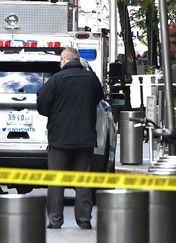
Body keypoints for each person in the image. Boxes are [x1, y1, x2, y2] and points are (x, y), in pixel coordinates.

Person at [37, 47, 104, 229]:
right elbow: (99, 98)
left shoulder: (56, 79)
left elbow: (42, 103)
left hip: (59, 139)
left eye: (61, 61)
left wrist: (54, 113)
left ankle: (55, 220)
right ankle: (84, 221)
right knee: (83, 181)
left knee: (57, 181)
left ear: (65, 60)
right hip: (85, 138)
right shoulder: (91, 79)